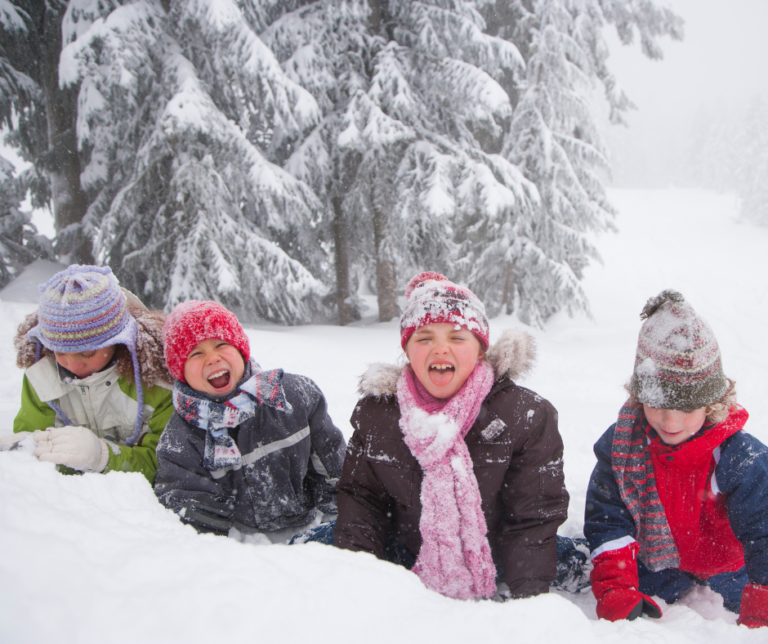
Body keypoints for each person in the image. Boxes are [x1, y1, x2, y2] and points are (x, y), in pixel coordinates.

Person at [334, 272, 569, 600]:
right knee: (317, 550)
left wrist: (528, 600)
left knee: (571, 559)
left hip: (499, 559)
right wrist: (357, 583)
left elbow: (533, 516)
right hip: (410, 554)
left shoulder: (524, 414)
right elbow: (362, 502)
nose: (440, 348)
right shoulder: (378, 415)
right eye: (424, 338)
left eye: (457, 338)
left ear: (480, 351)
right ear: (407, 351)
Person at [584, 289, 768, 628]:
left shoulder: (739, 455)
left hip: (730, 572)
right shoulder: (624, 445)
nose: (670, 422)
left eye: (686, 408)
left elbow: (764, 531)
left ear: (711, 402)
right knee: (586, 563)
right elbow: (608, 520)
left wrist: (762, 605)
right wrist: (617, 589)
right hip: (658, 566)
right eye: (657, 406)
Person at [153, 300, 346, 541]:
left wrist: (338, 527)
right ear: (180, 371)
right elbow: (193, 517)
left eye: (221, 345)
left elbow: (334, 468)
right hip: (243, 551)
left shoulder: (293, 396)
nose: (212, 358)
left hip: (311, 530)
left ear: (241, 350)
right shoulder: (180, 439)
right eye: (196, 353)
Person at [13, 264, 173, 483]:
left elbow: (169, 467)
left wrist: (104, 457)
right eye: (60, 352)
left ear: (120, 341)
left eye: (87, 353)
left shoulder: (157, 383)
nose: (73, 365)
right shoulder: (42, 379)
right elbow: (33, 457)